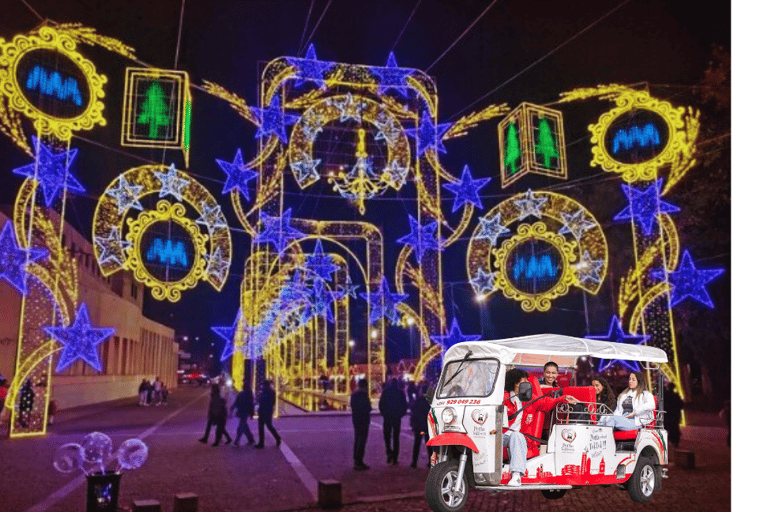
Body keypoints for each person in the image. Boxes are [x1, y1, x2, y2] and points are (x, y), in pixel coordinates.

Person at [503, 369, 578, 486]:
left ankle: (516, 475)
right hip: (500, 435)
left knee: (517, 436)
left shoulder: (529, 397)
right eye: (524, 380)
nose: (527, 382)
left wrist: (563, 398)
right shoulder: (503, 397)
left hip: (518, 437)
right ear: (515, 383)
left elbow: (545, 403)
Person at [379, 377, 408, 464]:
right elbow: (404, 405)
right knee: (396, 437)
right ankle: (395, 457)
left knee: (387, 437)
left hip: (387, 417)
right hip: (396, 417)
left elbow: (381, 404)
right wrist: (401, 414)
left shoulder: (386, 392)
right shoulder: (400, 393)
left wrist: (383, 413)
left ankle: (389, 453)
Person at [350, 378, 372, 470]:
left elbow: (353, 406)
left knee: (357, 439)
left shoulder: (354, 394)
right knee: (362, 440)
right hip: (363, 419)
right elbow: (367, 407)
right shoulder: (363, 394)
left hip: (356, 419)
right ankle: (359, 461)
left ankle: (356, 460)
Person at [410, 383, 432, 468]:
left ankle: (414, 462)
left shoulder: (418, 400)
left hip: (419, 425)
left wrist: (413, 423)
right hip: (427, 425)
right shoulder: (430, 402)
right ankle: (431, 462)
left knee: (417, 444)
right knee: (429, 445)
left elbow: (414, 412)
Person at [254, 380, 281, 448]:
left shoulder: (264, 392)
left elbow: (261, 400)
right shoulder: (272, 392)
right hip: (268, 411)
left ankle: (262, 442)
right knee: (268, 426)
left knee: (262, 427)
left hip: (264, 411)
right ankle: (277, 438)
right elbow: (273, 402)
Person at [664, 382, 684, 448]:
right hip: (675, 415)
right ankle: (674, 440)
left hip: (668, 415)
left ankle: (671, 439)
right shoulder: (676, 395)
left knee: (669, 427)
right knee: (674, 427)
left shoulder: (665, 395)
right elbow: (681, 405)